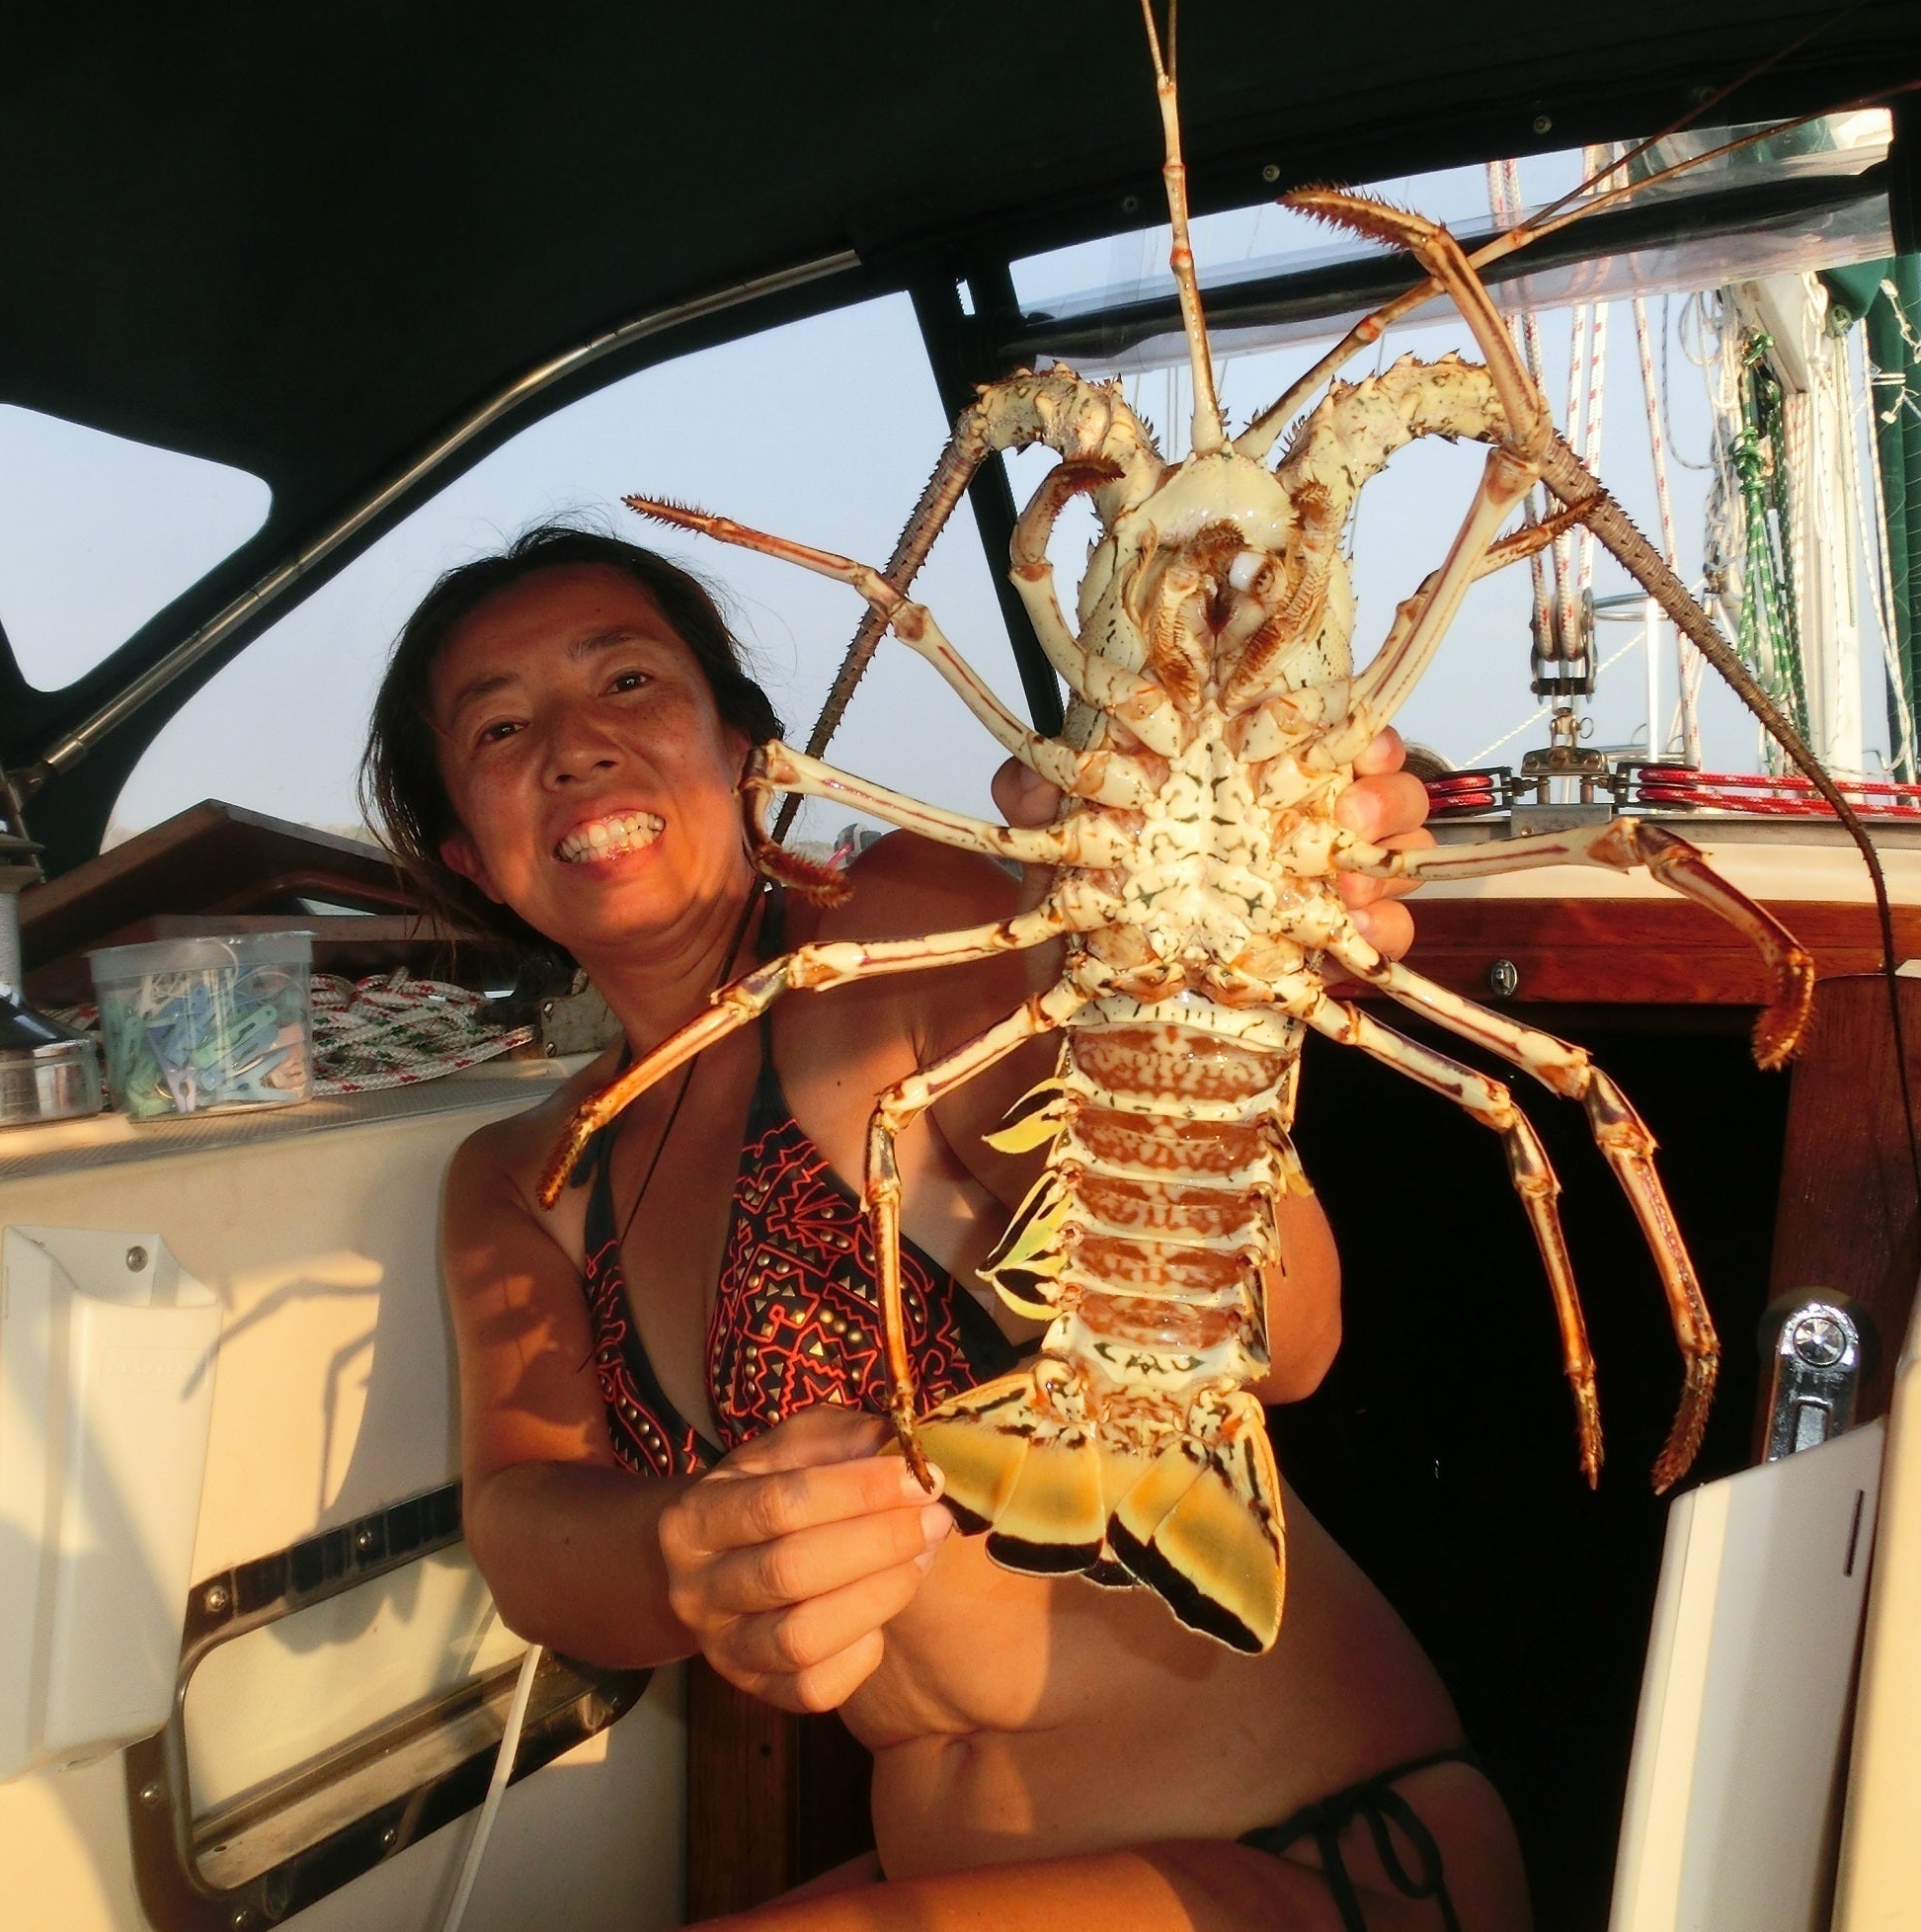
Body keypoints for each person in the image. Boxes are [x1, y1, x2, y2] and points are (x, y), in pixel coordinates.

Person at [366, 525, 1528, 1932]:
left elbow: (1289, 1344)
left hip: (1327, 1858)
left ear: (744, 749)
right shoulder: (526, 1173)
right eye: (500, 727)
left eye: (626, 682)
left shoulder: (915, 930)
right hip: (987, 1881)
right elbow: (524, 1520)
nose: (574, 746)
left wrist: (1187, 979)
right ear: (468, 854)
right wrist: (690, 1548)